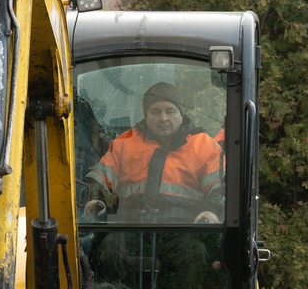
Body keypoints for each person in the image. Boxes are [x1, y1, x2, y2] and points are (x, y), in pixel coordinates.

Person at [81, 83, 223, 224]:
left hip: (186, 231)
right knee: (109, 245)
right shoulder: (124, 143)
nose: (163, 118)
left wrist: (211, 211)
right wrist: (95, 200)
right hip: (129, 230)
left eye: (170, 111)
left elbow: (221, 189)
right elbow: (98, 180)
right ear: (146, 116)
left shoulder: (204, 145)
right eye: (155, 112)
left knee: (195, 248)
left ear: (181, 114)